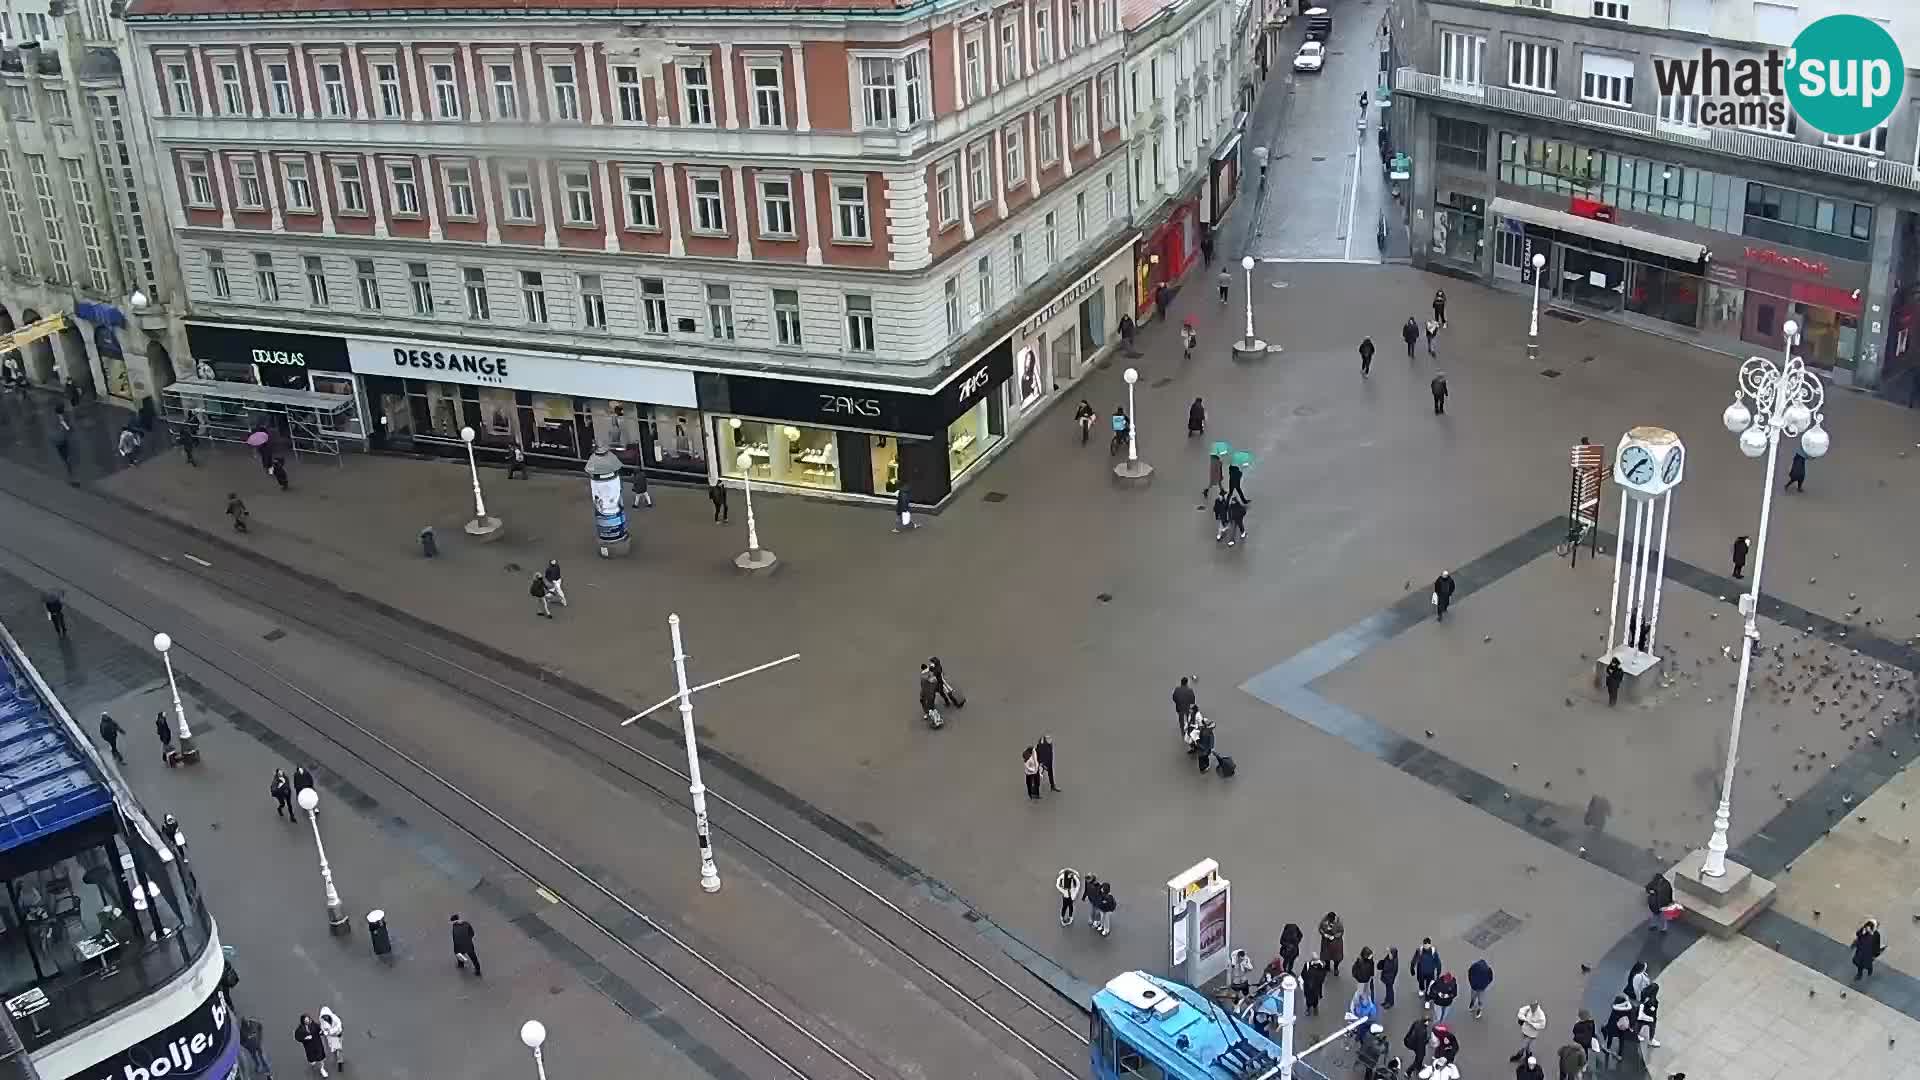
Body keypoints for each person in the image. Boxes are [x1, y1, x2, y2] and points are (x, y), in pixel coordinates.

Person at [317, 1006, 346, 1070]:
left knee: (339, 1049)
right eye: (323, 1016)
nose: (325, 1017)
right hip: (331, 1037)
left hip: (338, 1035)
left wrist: (329, 1031)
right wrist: (323, 1031)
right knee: (334, 1048)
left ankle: (340, 1063)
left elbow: (338, 1026)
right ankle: (336, 1054)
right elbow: (322, 1027)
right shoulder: (322, 1021)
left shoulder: (335, 1018)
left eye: (326, 1016)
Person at [1318, 912, 1345, 976]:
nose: (1331, 921)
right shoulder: (1324, 922)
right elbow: (1320, 929)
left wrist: (1334, 936)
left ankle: (1336, 968)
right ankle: (1327, 966)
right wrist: (1324, 934)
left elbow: (1341, 931)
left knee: (1337, 957)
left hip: (1336, 943)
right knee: (1326, 956)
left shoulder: (1338, 924)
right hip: (1326, 942)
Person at [1633, 983, 1659, 1048]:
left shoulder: (1643, 993)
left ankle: (1636, 1035)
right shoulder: (1653, 1001)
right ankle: (1651, 1040)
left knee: (1639, 1024)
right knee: (1652, 1028)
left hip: (1640, 1014)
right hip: (1649, 1017)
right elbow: (1651, 1010)